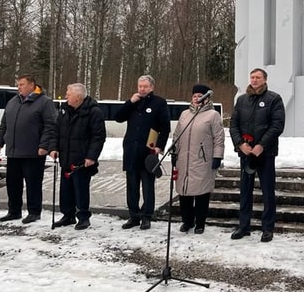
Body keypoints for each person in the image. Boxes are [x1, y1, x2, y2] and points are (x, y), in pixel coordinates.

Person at [229, 68, 285, 242]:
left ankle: (267, 228)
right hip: (246, 153)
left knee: (268, 191)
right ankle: (243, 226)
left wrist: (261, 145)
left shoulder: (273, 99)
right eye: (252, 77)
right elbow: (233, 125)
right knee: (245, 191)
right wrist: (240, 144)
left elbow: (277, 125)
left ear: (265, 80)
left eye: (258, 77)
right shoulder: (242, 100)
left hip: (265, 154)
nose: (254, 80)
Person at [0, 74, 58, 224]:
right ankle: (14, 211)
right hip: (14, 151)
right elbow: (5, 124)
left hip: (33, 152)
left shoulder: (44, 102)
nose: (18, 87)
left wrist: (44, 146)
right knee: (13, 184)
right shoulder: (13, 102)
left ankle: (34, 212)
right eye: (18, 85)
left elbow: (51, 126)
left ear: (31, 85)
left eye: (21, 84)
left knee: (33, 184)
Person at [115, 74, 171, 230]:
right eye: (140, 86)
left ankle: (147, 216)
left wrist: (160, 146)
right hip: (131, 150)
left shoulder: (159, 103)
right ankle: (134, 215)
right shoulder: (133, 102)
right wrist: (130, 102)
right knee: (131, 186)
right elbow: (118, 117)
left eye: (145, 86)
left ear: (152, 87)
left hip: (148, 151)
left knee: (147, 186)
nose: (142, 89)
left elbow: (165, 127)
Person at [50, 83, 106, 230]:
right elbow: (56, 131)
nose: (66, 96)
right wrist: (54, 148)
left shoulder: (93, 112)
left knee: (81, 189)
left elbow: (98, 137)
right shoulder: (64, 110)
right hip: (65, 157)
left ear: (78, 96)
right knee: (65, 189)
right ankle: (67, 215)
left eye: (69, 94)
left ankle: (83, 217)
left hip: (82, 159)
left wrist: (91, 156)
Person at [172, 84, 225, 234]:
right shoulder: (184, 114)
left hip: (202, 160)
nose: (196, 98)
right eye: (194, 96)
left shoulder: (213, 115)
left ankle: (200, 223)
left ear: (206, 98)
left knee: (201, 193)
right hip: (184, 160)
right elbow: (177, 135)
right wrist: (175, 152)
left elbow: (219, 138)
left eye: (199, 95)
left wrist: (217, 156)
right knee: (184, 191)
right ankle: (187, 221)